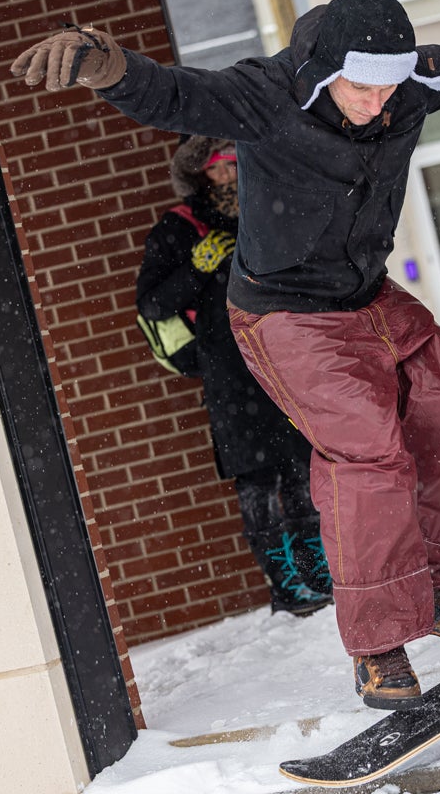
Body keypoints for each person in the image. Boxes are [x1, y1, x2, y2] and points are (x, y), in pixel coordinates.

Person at [11, 0, 440, 710]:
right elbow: (177, 95)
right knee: (368, 452)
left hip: (367, 297)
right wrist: (107, 64)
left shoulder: (409, 83)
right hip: (287, 315)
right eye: (362, 87)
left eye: (388, 86)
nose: (377, 101)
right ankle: (377, 647)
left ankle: (431, 583)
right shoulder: (267, 94)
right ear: (326, 72)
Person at [136, 135, 332, 617]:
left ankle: (318, 572)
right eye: (216, 169)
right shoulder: (179, 230)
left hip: (284, 370)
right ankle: (286, 585)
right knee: (259, 485)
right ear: (200, 175)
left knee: (303, 478)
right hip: (230, 382)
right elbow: (153, 304)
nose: (226, 177)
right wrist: (198, 265)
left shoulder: (270, 215)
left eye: (232, 165)